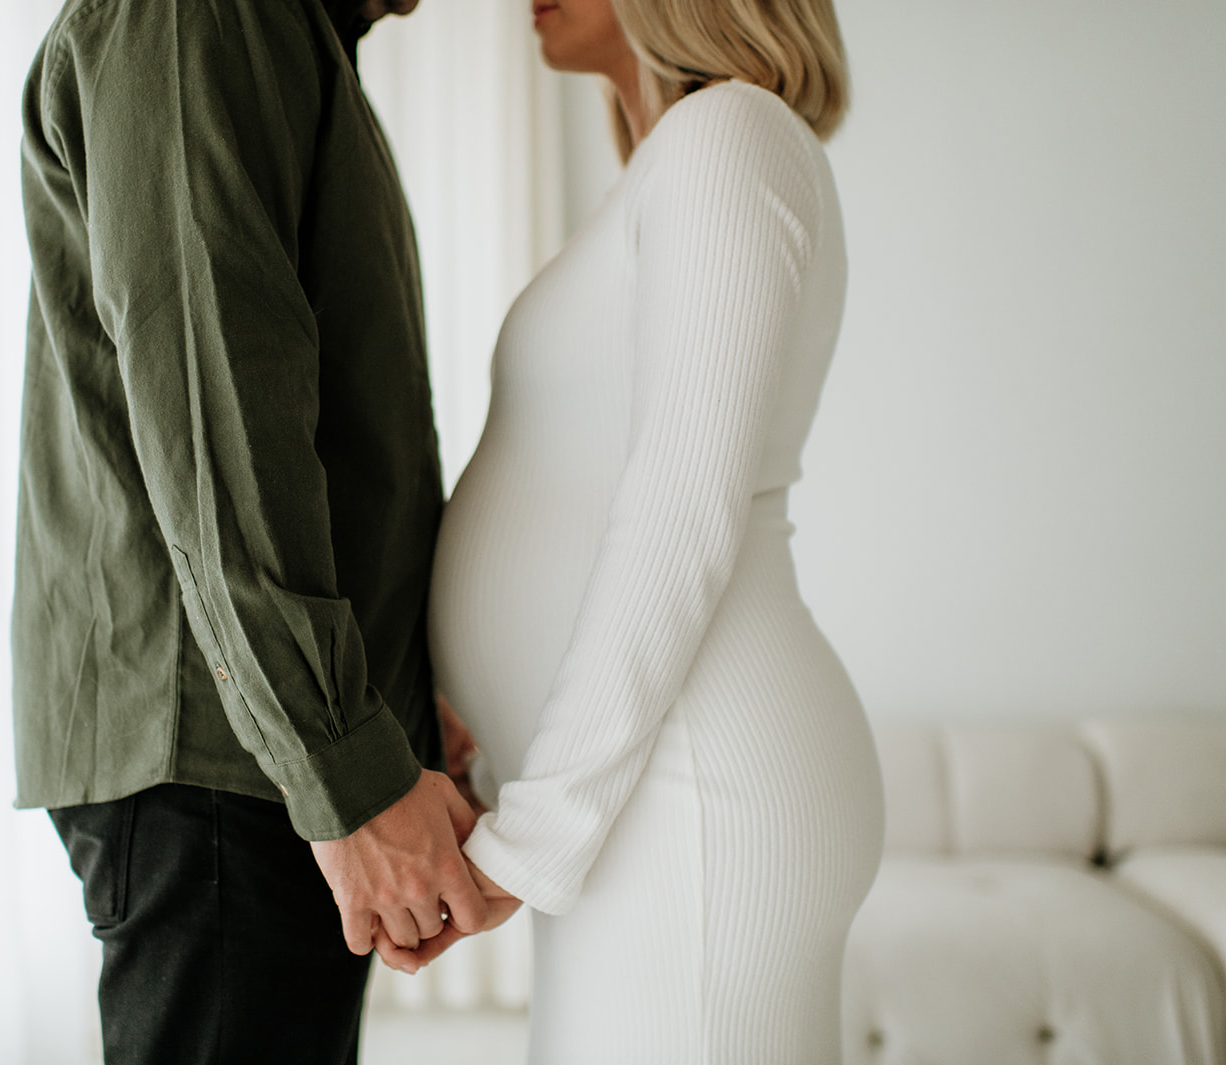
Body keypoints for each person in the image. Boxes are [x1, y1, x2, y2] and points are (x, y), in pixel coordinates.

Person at [387, 0, 888, 1059]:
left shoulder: (729, 136)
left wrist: (536, 835)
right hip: (642, 793)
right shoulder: (676, 162)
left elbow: (682, 505)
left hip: (693, 785)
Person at [10, 0, 491, 1061]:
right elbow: (218, 431)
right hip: (235, 764)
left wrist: (396, 702)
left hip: (259, 753)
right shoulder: (204, 18)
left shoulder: (278, 37)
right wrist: (345, 764)